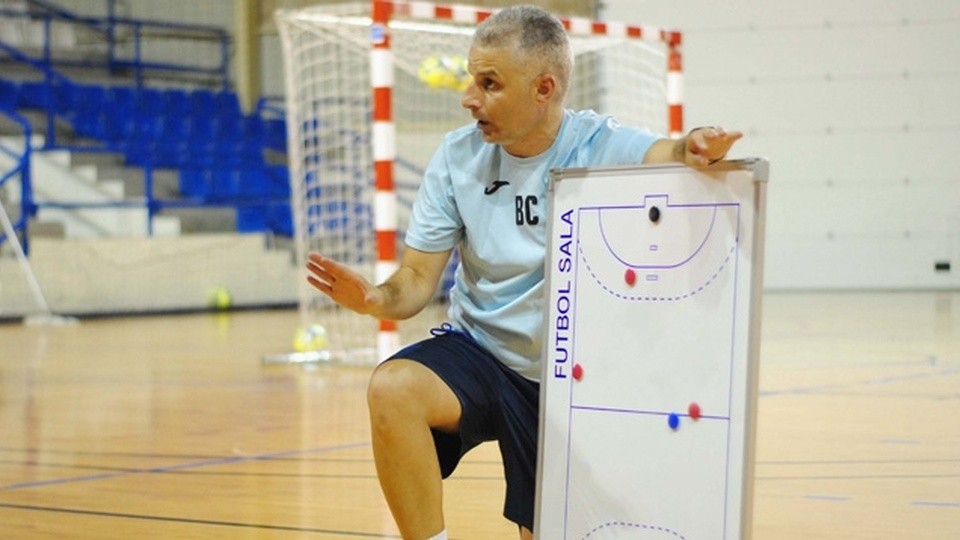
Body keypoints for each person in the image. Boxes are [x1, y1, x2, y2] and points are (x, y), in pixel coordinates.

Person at [306, 5, 742, 539]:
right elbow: (416, 280)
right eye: (472, 79)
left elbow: (669, 151)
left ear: (543, 88)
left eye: (489, 84)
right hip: (483, 353)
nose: (469, 97)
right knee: (394, 387)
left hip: (569, 375)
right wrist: (375, 298)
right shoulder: (457, 156)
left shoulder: (595, 145)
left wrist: (695, 144)